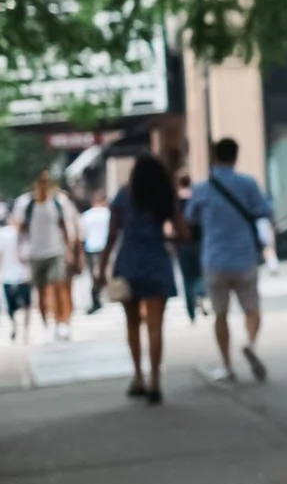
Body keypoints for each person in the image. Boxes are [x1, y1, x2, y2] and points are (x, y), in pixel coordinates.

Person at [185, 138, 270, 383]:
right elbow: (263, 211)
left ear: (214, 156)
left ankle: (227, 365)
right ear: (236, 156)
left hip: (215, 258)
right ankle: (250, 344)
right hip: (244, 256)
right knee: (252, 308)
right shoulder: (248, 184)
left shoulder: (203, 188)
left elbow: (190, 217)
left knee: (220, 314)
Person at [110, 156, 182, 405]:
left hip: (128, 262)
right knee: (155, 325)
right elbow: (183, 233)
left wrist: (101, 267)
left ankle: (138, 377)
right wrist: (165, 238)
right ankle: (155, 382)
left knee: (132, 324)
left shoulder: (122, 197)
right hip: (156, 262)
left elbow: (112, 234)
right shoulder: (164, 196)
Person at [15, 174, 80, 341]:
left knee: (59, 286)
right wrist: (20, 251)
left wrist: (69, 249)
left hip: (56, 250)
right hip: (35, 253)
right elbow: (21, 229)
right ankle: (46, 322)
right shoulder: (27, 204)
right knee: (41, 291)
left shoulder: (57, 202)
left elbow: (64, 226)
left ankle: (61, 322)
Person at [0, 216, 33, 343]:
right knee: (26, 306)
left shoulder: (3, 234)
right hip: (22, 275)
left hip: (9, 276)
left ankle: (16, 327)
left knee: (12, 307)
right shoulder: (24, 233)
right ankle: (25, 331)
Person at [173, 174, 205, 323]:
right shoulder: (196, 198)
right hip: (198, 240)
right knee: (199, 272)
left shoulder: (175, 202)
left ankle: (190, 309)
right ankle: (199, 294)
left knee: (187, 277)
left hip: (181, 243)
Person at [80, 193, 111, 315]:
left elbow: (82, 234)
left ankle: (96, 295)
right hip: (104, 246)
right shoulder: (107, 214)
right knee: (105, 271)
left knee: (94, 273)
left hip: (91, 247)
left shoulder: (86, 215)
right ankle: (104, 294)